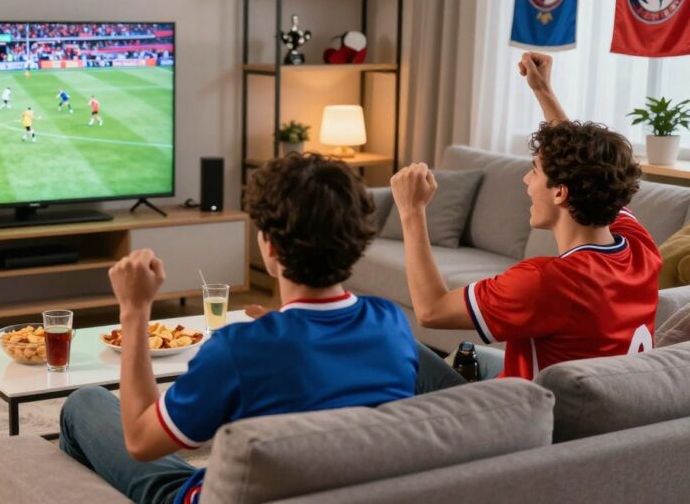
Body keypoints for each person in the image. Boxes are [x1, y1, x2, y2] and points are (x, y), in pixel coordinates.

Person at [58, 153, 418, 504]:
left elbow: (140, 440)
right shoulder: (391, 323)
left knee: (85, 403)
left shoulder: (239, 350)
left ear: (271, 248)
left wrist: (134, 310)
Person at [390, 52, 661, 391]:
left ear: (560, 192)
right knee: (476, 354)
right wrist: (543, 91)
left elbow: (431, 310)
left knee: (389, 344)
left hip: (518, 419)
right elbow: (589, 167)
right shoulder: (640, 248)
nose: (526, 181)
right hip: (593, 410)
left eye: (534, 171)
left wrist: (411, 212)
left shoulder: (548, 282)